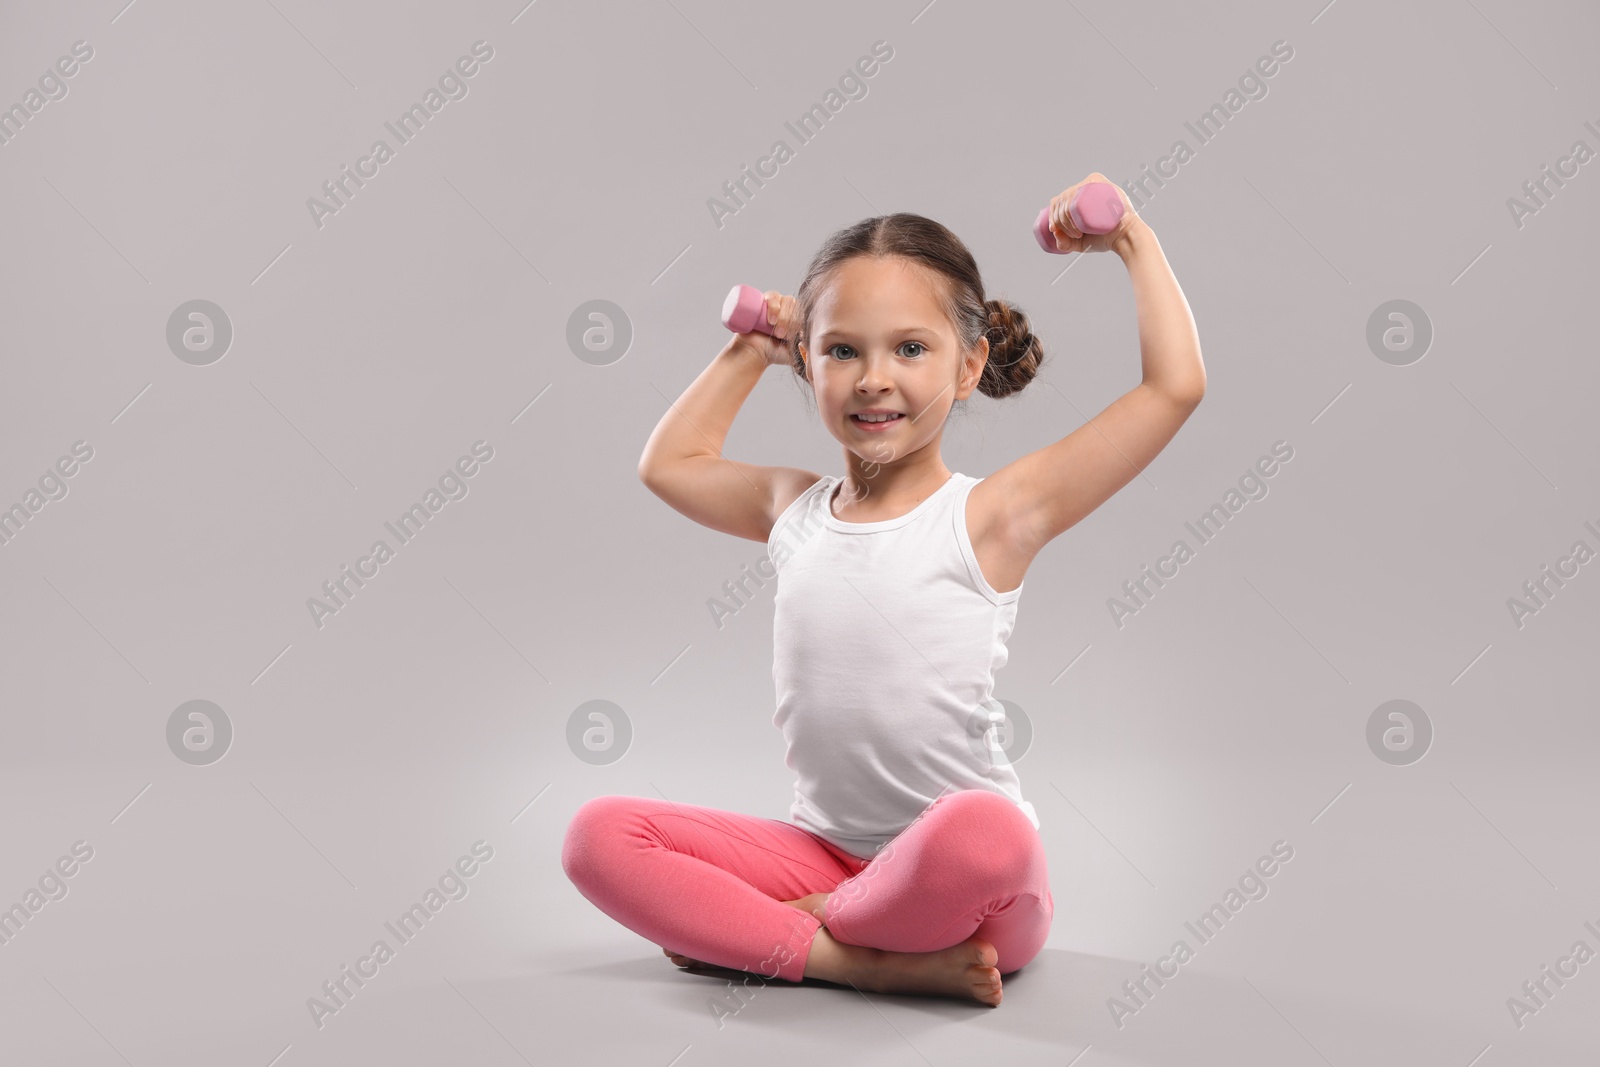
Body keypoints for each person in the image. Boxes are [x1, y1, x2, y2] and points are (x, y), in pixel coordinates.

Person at [562, 173, 1205, 1008]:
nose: (872, 378)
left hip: (968, 888)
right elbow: (668, 464)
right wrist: (754, 348)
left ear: (968, 364)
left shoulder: (991, 515)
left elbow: (1173, 389)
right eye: (841, 351)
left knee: (988, 831)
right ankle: (857, 960)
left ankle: (783, 929)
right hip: (823, 850)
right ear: (811, 363)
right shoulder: (793, 511)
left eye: (910, 348)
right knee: (598, 835)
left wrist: (1130, 240)